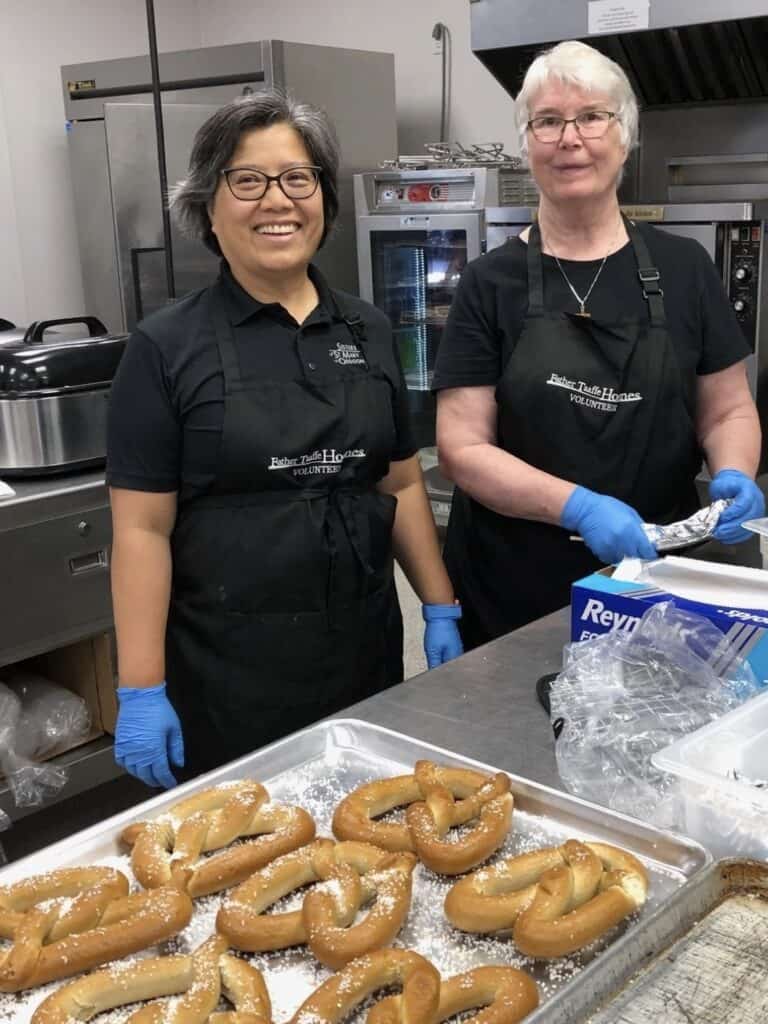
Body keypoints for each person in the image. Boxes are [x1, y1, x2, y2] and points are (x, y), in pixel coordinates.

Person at [107, 92, 463, 788]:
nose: (278, 200)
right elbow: (142, 530)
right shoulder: (163, 348)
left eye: (298, 178)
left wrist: (439, 603)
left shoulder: (369, 330)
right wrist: (141, 688)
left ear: (323, 198)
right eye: (248, 180)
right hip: (226, 675)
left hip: (363, 657)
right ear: (208, 205)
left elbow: (399, 480)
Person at [434, 40, 765, 651]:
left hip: (653, 578)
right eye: (548, 121)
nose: (570, 138)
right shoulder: (489, 282)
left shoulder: (685, 268)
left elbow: (728, 409)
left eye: (592, 116)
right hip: (512, 585)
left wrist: (735, 470)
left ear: (625, 135)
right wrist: (579, 507)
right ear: (527, 141)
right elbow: (460, 446)